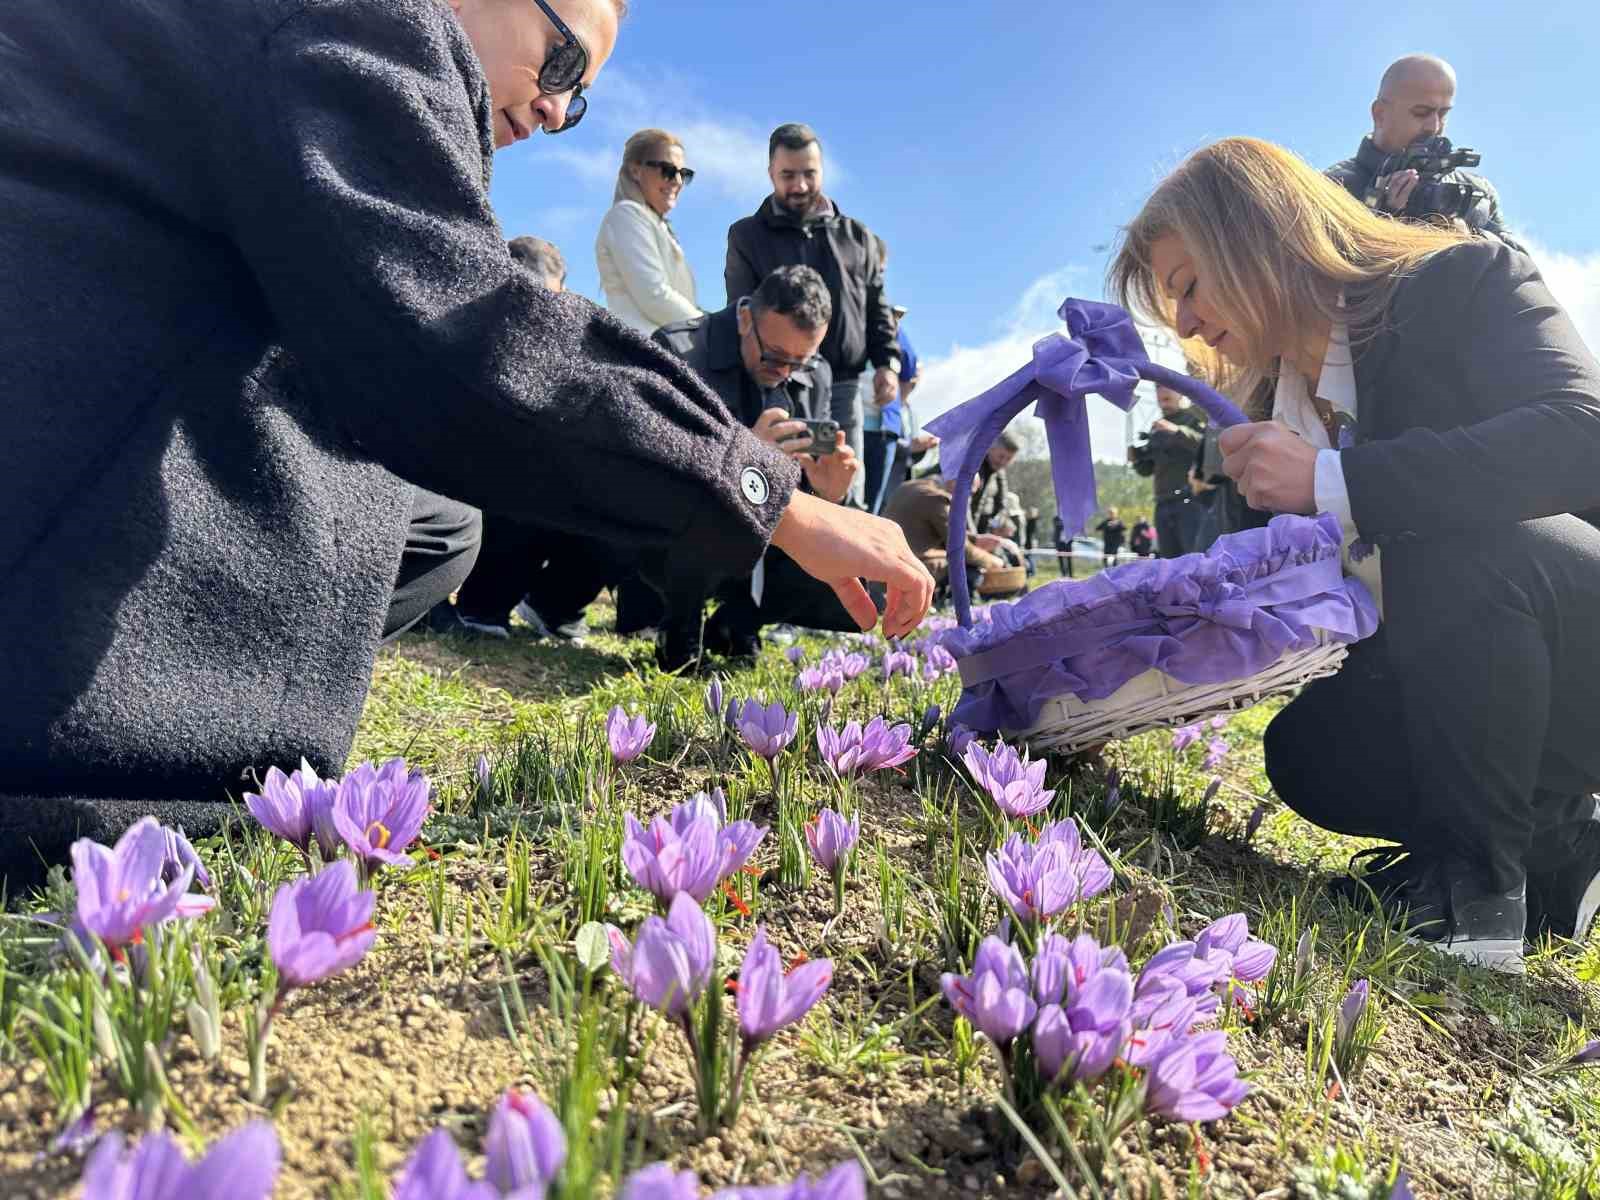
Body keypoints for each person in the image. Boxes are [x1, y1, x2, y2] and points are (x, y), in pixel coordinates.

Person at [0, 0, 933, 888]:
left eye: (582, 96)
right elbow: (466, 333)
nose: (557, 106)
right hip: (50, 533)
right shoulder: (357, 19)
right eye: (562, 57)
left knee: (441, 524)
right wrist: (765, 489)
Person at [1112, 136, 1600, 973]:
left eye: (1188, 286)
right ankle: (1558, 857)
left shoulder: (1463, 279)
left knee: (1451, 541)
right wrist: (1124, 684)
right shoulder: (1265, 412)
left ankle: (1473, 896)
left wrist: (1338, 477)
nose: (1185, 325)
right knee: (1313, 750)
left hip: (1577, 644)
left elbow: (1581, 440)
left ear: (1258, 234)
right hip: (1483, 681)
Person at [650, 266, 863, 669]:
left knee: (852, 547)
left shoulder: (814, 374)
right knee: (702, 512)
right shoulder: (679, 351)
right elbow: (658, 472)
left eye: (799, 363)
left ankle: (736, 622)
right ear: (745, 318)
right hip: (678, 529)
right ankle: (678, 632)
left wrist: (830, 494)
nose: (784, 373)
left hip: (759, 535)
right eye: (775, 357)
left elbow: (802, 498)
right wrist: (743, 454)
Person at [726, 124, 901, 507]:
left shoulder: (859, 237)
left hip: (844, 386)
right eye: (788, 175)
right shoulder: (746, 236)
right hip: (779, 382)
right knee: (782, 494)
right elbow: (738, 310)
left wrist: (887, 363)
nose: (801, 185)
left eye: (809, 174)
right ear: (771, 173)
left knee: (845, 495)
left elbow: (877, 307)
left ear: (822, 171)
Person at [1326, 54, 1522, 251]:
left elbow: (1521, 270)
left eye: (1443, 114)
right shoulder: (1331, 190)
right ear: (1380, 114)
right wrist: (1382, 227)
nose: (1434, 126)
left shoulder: (1476, 191)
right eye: (1421, 113)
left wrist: (1469, 238)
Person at [595, 128, 701, 334]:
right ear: (636, 170)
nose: (677, 181)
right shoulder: (625, 215)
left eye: (684, 174)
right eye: (668, 170)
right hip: (642, 353)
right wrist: (713, 327)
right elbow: (654, 295)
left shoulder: (657, 226)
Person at [861, 243, 922, 514]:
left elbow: (911, 372)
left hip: (882, 427)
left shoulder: (891, 324)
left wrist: (899, 396)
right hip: (842, 417)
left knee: (872, 503)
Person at [884, 475, 1005, 605]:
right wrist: (993, 562)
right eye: (969, 491)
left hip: (889, 565)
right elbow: (962, 550)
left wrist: (976, 539)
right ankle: (949, 602)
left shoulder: (909, 486)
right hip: (915, 567)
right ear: (955, 481)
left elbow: (930, 527)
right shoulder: (938, 498)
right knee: (971, 570)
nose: (968, 498)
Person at [1128, 387, 1207, 557]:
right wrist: (1136, 459)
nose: (1163, 392)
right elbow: (1147, 470)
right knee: (1169, 563)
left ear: (1181, 393)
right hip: (1163, 503)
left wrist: (1177, 431)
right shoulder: (1156, 427)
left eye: (1169, 387)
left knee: (1194, 560)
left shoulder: (1193, 417)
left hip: (1190, 502)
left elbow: (1205, 446)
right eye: (1158, 387)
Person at [971, 432, 1021, 534]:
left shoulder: (999, 473)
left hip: (984, 531)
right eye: (1001, 456)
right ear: (990, 448)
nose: (1003, 462)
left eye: (1008, 459)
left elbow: (1001, 504)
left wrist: (1001, 521)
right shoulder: (973, 466)